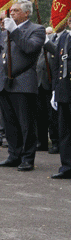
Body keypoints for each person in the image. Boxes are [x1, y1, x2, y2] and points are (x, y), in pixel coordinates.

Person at [0, 0, 45, 171]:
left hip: (23, 82)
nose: (12, 13)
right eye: (11, 10)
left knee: (26, 124)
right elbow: (1, 57)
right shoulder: (5, 31)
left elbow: (29, 48)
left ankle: (28, 158)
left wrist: (15, 31)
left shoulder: (36, 30)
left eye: (16, 10)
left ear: (26, 13)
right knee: (10, 123)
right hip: (4, 83)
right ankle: (13, 155)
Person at [51, 17, 71, 179]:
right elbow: (57, 65)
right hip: (64, 91)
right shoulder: (64, 37)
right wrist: (54, 90)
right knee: (65, 131)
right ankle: (67, 166)